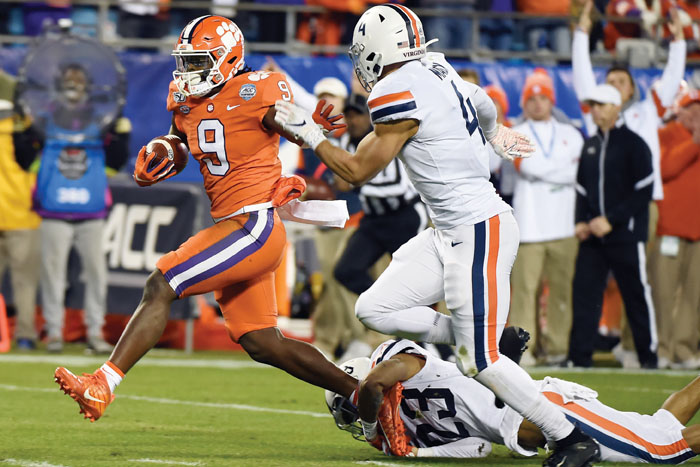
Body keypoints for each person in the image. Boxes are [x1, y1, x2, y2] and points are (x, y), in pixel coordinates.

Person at [273, 5, 600, 466]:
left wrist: (310, 135)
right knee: (373, 308)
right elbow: (482, 101)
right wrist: (495, 133)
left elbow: (357, 171)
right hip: (447, 230)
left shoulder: (394, 90)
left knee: (479, 362)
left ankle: (569, 437)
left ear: (375, 52)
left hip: (478, 228)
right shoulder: (435, 66)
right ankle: (485, 335)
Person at [53, 15, 359, 423]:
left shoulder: (258, 88)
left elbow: (287, 124)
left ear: (227, 58)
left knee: (163, 282)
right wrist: (165, 152)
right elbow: (181, 139)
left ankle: (103, 384)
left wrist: (307, 131)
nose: (188, 71)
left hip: (252, 224)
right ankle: (363, 394)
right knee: (263, 342)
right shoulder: (185, 97)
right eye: (185, 61)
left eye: (198, 61)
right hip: (237, 226)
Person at [325, 339, 699, 463]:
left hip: (549, 408)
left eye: (351, 409)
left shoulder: (399, 364)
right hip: (537, 426)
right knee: (661, 427)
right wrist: (416, 453)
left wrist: (372, 421)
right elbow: (480, 448)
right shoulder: (408, 427)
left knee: (663, 449)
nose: (357, 418)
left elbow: (378, 382)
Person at [16, 63, 130, 354]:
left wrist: (122, 135)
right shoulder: (45, 120)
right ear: (59, 84)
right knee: (53, 276)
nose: (73, 85)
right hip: (54, 211)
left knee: (96, 275)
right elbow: (24, 158)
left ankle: (95, 332)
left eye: (78, 80)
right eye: (69, 79)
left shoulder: (100, 119)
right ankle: (54, 333)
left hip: (91, 212)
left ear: (87, 87)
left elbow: (116, 161)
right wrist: (23, 131)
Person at [567, 84, 657, 369]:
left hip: (625, 234)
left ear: (617, 108)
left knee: (636, 295)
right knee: (584, 295)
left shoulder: (634, 144)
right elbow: (581, 189)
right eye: (592, 105)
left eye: (601, 105)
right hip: (593, 236)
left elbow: (644, 189)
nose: (595, 110)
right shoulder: (590, 145)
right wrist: (580, 221)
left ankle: (648, 357)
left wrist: (612, 219)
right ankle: (579, 359)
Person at [508, 71, 583, 366]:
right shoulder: (514, 133)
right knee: (525, 293)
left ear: (552, 101)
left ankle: (558, 348)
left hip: (564, 226)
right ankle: (523, 351)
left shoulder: (571, 134)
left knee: (562, 292)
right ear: (524, 103)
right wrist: (563, 171)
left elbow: (578, 173)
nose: (538, 103)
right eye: (532, 98)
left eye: (543, 98)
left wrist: (546, 169)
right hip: (529, 227)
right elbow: (528, 168)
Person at [649, 89, 700, 369]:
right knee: (663, 294)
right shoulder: (666, 134)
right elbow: (664, 168)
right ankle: (663, 349)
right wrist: (694, 142)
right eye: (691, 107)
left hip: (697, 232)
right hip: (669, 230)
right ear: (679, 110)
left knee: (694, 296)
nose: (697, 113)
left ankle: (685, 349)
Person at [0, 70, 41, 351]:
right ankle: (25, 335)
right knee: (25, 284)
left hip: (15, 214)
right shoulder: (28, 128)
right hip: (23, 214)